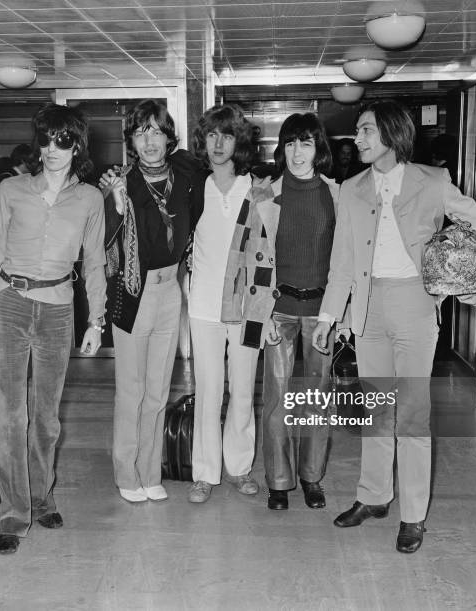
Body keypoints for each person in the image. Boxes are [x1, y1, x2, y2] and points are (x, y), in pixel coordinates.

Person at [312, 100, 476, 553]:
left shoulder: (433, 182)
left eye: (364, 131)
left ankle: (413, 515)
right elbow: (342, 263)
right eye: (357, 132)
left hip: (416, 307)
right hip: (368, 309)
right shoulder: (352, 187)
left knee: (413, 414)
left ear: (391, 134)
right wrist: (328, 317)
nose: (356, 140)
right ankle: (373, 497)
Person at [0, 103, 106, 554]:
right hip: (11, 303)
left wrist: (96, 320)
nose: (52, 149)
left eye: (62, 140)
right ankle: (12, 511)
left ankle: (41, 495)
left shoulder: (89, 198)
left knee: (46, 417)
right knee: (12, 414)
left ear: (77, 146)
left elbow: (95, 262)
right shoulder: (11, 189)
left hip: (57, 312)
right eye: (46, 140)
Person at [222, 112, 339, 511]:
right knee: (277, 399)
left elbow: (347, 259)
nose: (297, 152)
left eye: (305, 143)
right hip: (278, 311)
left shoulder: (335, 195)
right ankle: (278, 480)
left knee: (318, 399)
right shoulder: (263, 194)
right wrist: (256, 314)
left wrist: (340, 313)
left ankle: (311, 478)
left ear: (318, 149)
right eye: (290, 143)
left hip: (321, 312)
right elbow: (241, 254)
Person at [99, 99, 202, 504]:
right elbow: (102, 242)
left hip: (168, 289)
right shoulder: (120, 181)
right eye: (141, 132)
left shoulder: (185, 174)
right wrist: (115, 203)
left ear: (169, 136)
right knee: (132, 389)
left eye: (156, 131)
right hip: (132, 290)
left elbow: (195, 214)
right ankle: (127, 472)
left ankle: (149, 469)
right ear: (131, 141)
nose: (149, 140)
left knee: (159, 389)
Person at [186, 104, 260, 503]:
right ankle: (204, 473)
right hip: (203, 306)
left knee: (244, 389)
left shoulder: (258, 187)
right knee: (209, 389)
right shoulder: (194, 187)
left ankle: (240, 467)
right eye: (212, 135)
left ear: (239, 141)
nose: (218, 143)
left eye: (227, 135)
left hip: (247, 306)